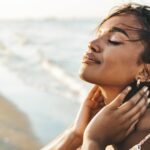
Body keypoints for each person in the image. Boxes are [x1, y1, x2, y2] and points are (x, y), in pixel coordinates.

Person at [42, 3, 150, 150]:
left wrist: (94, 141)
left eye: (114, 40)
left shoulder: (144, 141)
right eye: (98, 35)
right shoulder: (97, 124)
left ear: (145, 72)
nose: (92, 43)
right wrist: (75, 135)